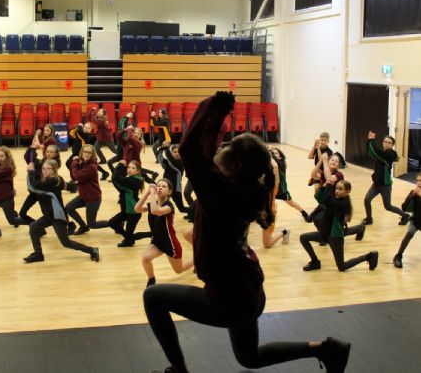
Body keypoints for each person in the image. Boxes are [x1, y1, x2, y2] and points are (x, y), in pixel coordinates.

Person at [143, 92, 351, 373]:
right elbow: (206, 152)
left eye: (227, 152)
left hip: (229, 299)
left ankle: (179, 370)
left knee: (153, 298)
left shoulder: (220, 194)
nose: (221, 152)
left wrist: (212, 107)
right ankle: (327, 349)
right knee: (248, 357)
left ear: (233, 166)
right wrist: (217, 117)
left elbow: (191, 151)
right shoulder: (241, 187)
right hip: (248, 290)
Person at [300, 169, 379, 272]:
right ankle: (315, 261)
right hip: (324, 234)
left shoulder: (343, 204)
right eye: (336, 188)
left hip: (335, 237)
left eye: (340, 189)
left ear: (347, 191)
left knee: (342, 267)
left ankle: (369, 256)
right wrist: (324, 186)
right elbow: (318, 197)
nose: (337, 191)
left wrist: (329, 185)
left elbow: (328, 201)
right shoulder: (335, 199)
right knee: (303, 238)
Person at [23, 158, 99, 263]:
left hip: (58, 217)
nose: (45, 171)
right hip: (49, 215)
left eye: (48, 169)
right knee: (33, 227)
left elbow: (32, 187)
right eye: (43, 169)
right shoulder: (51, 180)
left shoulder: (53, 180)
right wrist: (73, 187)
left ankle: (92, 250)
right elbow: (63, 186)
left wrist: (30, 172)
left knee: (66, 242)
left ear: (54, 170)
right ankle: (38, 254)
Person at [135, 180, 193, 288]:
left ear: (169, 192)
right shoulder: (153, 204)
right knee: (145, 258)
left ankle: (198, 258)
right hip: (157, 242)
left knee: (179, 270)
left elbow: (155, 211)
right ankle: (151, 279)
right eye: (158, 186)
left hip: (170, 244)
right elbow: (137, 208)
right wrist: (148, 192)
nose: (160, 188)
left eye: (164, 186)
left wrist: (152, 193)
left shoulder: (169, 207)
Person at [362, 132, 409, 226]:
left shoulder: (390, 155)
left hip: (385, 185)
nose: (386, 144)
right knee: (367, 199)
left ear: (392, 145)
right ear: (383, 142)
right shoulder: (382, 154)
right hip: (376, 184)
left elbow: (377, 152)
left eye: (389, 143)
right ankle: (369, 219)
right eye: (385, 142)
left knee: (388, 206)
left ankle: (405, 216)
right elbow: (371, 152)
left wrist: (372, 140)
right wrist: (369, 140)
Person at [65, 144, 102, 235]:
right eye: (85, 152)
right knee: (68, 208)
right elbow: (73, 177)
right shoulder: (83, 163)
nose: (87, 154)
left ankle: (115, 223)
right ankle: (83, 226)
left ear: (92, 154)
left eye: (89, 153)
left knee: (92, 224)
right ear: (82, 153)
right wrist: (75, 164)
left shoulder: (91, 167)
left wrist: (74, 163)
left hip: (93, 198)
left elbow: (77, 176)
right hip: (83, 196)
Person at [19, 144, 61, 224]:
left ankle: (68, 224)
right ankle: (36, 227)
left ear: (56, 154)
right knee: (22, 213)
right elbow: (29, 159)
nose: (48, 154)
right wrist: (31, 148)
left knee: (49, 217)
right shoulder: (42, 161)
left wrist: (31, 167)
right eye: (47, 151)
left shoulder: (54, 164)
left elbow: (35, 165)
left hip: (43, 193)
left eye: (51, 152)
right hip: (35, 192)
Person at [270, 147, 310, 221]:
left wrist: (269, 151)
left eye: (275, 153)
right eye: (272, 153)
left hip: (282, 191)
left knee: (291, 203)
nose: (273, 154)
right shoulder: (271, 163)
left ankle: (304, 213)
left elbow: (274, 163)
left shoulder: (281, 164)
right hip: (272, 190)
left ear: (280, 157)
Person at [393, 174, 421, 268]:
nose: (419, 183)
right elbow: (404, 208)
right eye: (417, 181)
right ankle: (398, 256)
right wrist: (411, 196)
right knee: (410, 232)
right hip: (415, 221)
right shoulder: (413, 193)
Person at [157, 143, 189, 214]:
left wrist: (166, 149)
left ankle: (195, 211)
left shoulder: (181, 162)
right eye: (174, 152)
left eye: (178, 152)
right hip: (165, 188)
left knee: (181, 209)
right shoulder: (168, 162)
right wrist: (161, 149)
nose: (177, 153)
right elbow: (160, 159)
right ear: (172, 153)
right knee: (161, 205)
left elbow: (171, 160)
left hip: (176, 190)